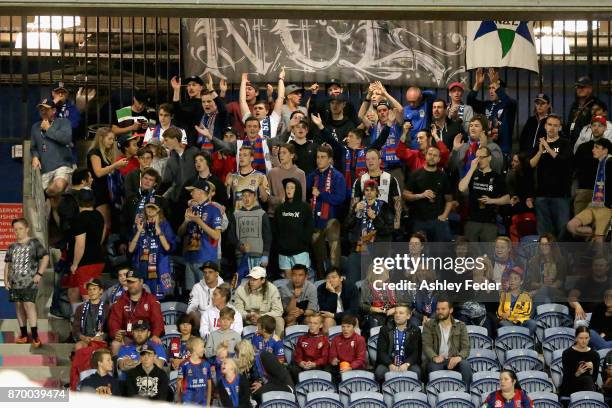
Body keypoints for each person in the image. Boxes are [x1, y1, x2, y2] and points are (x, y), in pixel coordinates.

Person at [3, 218, 49, 347]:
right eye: (15, 229)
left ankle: (35, 336)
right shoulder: (12, 246)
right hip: (15, 283)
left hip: (29, 282)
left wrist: (39, 274)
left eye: (20, 228)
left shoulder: (34, 243)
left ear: (27, 229)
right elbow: (8, 264)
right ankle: (23, 335)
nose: (18, 231)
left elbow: (45, 257)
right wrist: (6, 280)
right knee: (18, 306)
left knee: (29, 305)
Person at [529, 114, 573, 238]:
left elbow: (563, 161)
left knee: (562, 231)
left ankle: (560, 257)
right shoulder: (539, 143)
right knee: (543, 233)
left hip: (561, 195)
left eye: (555, 125)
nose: (552, 128)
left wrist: (547, 148)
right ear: (545, 126)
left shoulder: (565, 143)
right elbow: (531, 164)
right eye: (549, 125)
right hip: (542, 195)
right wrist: (539, 151)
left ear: (559, 128)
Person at [307, 145, 347, 277]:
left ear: (330, 160)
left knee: (334, 251)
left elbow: (340, 198)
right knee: (319, 255)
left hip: (331, 220)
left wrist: (321, 195)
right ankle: (321, 280)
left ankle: (336, 278)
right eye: (318, 157)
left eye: (323, 157)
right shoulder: (312, 176)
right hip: (315, 221)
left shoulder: (337, 176)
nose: (319, 160)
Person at [128, 195, 176, 299]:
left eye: (153, 207)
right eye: (148, 207)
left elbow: (168, 248)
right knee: (141, 300)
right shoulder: (139, 224)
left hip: (159, 270)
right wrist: (138, 232)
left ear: (158, 210)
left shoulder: (164, 225)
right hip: (142, 269)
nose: (150, 210)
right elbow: (130, 249)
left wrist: (159, 231)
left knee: (159, 302)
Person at [458, 146, 510, 243]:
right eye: (477, 157)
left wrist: (492, 200)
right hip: (472, 220)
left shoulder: (497, 177)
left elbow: (507, 199)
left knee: (488, 254)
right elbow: (461, 188)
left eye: (482, 157)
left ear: (489, 158)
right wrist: (471, 169)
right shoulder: (472, 174)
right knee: (471, 254)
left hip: (489, 222)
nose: (479, 160)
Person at [178, 179, 223, 291]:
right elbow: (180, 233)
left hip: (205, 259)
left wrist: (198, 221)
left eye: (193, 191)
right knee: (191, 294)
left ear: (201, 192)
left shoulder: (214, 210)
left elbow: (216, 236)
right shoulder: (192, 209)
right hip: (190, 258)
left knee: (206, 293)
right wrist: (185, 222)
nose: (191, 193)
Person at [404, 146, 454, 242]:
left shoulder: (443, 176)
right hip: (418, 220)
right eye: (430, 154)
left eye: (435, 155)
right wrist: (421, 195)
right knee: (418, 252)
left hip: (437, 221)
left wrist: (444, 215)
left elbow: (449, 200)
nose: (432, 157)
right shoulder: (415, 174)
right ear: (425, 156)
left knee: (438, 253)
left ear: (439, 159)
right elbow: (405, 195)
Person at [108, 271, 164, 355]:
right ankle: (117, 367)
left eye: (133, 282)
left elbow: (158, 321)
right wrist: (116, 332)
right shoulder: (120, 301)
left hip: (146, 337)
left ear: (141, 281)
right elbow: (114, 321)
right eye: (129, 282)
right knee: (115, 344)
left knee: (156, 343)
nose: (130, 285)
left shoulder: (151, 300)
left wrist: (155, 335)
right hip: (128, 337)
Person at [567, 138, 612, 242]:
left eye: (596, 147)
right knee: (571, 226)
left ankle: (598, 243)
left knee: (599, 243)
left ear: (605, 150)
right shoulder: (599, 163)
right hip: (594, 204)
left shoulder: (610, 163)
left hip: (605, 208)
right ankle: (592, 235)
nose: (593, 150)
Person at [67, 189, 105, 307]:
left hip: (85, 263)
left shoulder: (80, 219)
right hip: (98, 259)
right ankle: (77, 319)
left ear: (78, 202)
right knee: (73, 290)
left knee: (89, 297)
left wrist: (75, 264)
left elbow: (80, 244)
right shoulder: (99, 215)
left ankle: (92, 323)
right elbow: (102, 235)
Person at [422, 296, 472, 386]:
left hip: (454, 359)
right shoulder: (429, 325)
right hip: (437, 360)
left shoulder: (460, 325)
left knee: (465, 365)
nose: (440, 311)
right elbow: (426, 345)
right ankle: (436, 395)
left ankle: (465, 393)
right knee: (433, 367)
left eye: (443, 309)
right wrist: (434, 357)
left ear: (451, 310)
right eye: (437, 309)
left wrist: (459, 357)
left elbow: (466, 347)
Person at [30, 98, 74, 198]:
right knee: (55, 203)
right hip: (45, 169)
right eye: (41, 109)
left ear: (53, 111)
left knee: (59, 186)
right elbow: (33, 147)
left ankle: (46, 195)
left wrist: (48, 129)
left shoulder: (64, 122)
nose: (43, 112)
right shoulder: (35, 127)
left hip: (62, 164)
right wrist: (35, 157)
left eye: (46, 109)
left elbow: (66, 139)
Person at [468, 68, 517, 154]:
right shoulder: (488, 105)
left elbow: (508, 101)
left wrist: (496, 84)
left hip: (502, 151)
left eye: (494, 88)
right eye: (489, 88)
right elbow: (470, 101)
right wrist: (477, 84)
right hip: (486, 149)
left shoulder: (510, 104)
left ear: (503, 90)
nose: (491, 91)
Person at [87, 127, 125, 233]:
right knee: (103, 224)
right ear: (101, 138)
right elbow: (98, 172)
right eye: (109, 139)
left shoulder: (107, 154)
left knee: (108, 223)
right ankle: (97, 247)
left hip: (107, 190)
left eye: (113, 139)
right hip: (99, 191)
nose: (112, 142)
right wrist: (115, 165)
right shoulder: (94, 153)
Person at [352, 149, 401, 230]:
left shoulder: (390, 179)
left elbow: (397, 201)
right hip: (365, 224)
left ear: (379, 161)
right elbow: (353, 205)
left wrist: (397, 221)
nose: (370, 161)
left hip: (385, 223)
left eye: (373, 158)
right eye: (367, 159)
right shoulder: (359, 180)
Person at [273, 178, 314, 277]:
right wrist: (280, 244)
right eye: (287, 187)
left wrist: (303, 242)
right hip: (283, 252)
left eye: (292, 188)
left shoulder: (305, 208)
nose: (289, 190)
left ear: (298, 189)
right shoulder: (280, 209)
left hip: (300, 252)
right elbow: (275, 229)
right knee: (287, 283)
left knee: (301, 281)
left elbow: (309, 228)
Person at [160, 127, 199, 229]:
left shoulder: (194, 152)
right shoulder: (170, 160)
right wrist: (156, 196)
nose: (164, 143)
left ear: (176, 140)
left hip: (194, 199)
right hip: (177, 202)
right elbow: (166, 182)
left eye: (166, 140)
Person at [374, 305, 422, 383]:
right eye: (396, 313)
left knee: (417, 371)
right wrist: (390, 364)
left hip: (407, 363)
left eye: (401, 313)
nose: (397, 315)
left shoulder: (415, 330)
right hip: (389, 362)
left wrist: (407, 364)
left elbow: (416, 353)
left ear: (408, 316)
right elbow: (381, 352)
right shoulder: (384, 330)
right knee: (379, 372)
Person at [231, 187, 272, 273]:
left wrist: (266, 254)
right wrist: (240, 246)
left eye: (249, 195)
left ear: (255, 197)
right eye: (244, 196)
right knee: (242, 283)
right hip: (241, 255)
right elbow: (231, 236)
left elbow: (267, 235)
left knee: (258, 283)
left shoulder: (262, 213)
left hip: (258, 255)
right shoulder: (236, 214)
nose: (246, 198)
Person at [234, 266, 284, 336]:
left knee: (279, 320)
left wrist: (261, 316)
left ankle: (279, 344)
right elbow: (238, 310)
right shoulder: (241, 289)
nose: (251, 282)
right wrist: (247, 315)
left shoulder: (272, 289)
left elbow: (278, 310)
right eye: (250, 278)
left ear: (263, 280)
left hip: (266, 320)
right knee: (233, 318)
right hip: (248, 319)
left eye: (255, 279)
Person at [347, 179, 395, 251]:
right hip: (359, 246)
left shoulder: (385, 206)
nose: (369, 192)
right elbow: (347, 226)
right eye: (367, 190)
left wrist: (375, 218)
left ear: (377, 192)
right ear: (364, 192)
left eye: (372, 190)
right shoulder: (358, 205)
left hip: (378, 247)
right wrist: (354, 212)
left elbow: (389, 229)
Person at [239, 69, 285, 140]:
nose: (257, 110)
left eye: (260, 108)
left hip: (268, 150)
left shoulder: (273, 120)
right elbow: (242, 101)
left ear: (267, 111)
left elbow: (280, 98)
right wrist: (243, 82)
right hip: (252, 150)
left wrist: (281, 79)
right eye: (255, 108)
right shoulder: (248, 119)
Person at [568, 256, 611, 328]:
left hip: (604, 317)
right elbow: (571, 297)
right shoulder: (583, 281)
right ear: (592, 267)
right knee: (581, 333)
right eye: (596, 265)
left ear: (607, 268)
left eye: (601, 265)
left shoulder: (610, 282)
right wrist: (577, 306)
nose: (598, 268)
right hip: (585, 314)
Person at [288, 313, 330, 383]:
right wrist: (301, 362)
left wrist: (314, 364)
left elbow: (325, 358)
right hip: (303, 366)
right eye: (310, 323)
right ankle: (296, 389)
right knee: (291, 367)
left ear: (321, 325)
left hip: (317, 367)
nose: (312, 325)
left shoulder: (324, 340)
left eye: (315, 323)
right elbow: (298, 355)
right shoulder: (302, 338)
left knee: (327, 368)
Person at [525, 234, 567, 304]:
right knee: (545, 298)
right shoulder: (534, 261)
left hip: (557, 293)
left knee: (544, 292)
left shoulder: (561, 261)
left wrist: (544, 288)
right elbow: (532, 283)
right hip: (540, 292)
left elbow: (560, 282)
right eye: (541, 244)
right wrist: (542, 286)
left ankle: (534, 312)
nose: (543, 247)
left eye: (547, 244)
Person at [225, 145, 270, 210]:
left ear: (252, 158)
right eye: (240, 155)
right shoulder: (233, 176)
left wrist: (260, 185)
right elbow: (228, 200)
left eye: (245, 155)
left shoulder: (261, 176)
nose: (241, 157)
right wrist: (228, 186)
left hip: (255, 216)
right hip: (238, 215)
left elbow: (265, 199)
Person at [560, 326, 600, 397]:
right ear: (576, 338)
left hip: (588, 386)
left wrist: (592, 369)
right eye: (581, 338)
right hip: (571, 386)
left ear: (589, 338)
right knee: (587, 380)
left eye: (586, 338)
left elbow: (594, 379)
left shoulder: (595, 355)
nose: (584, 341)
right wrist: (578, 373)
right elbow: (566, 379)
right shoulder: (567, 353)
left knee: (588, 380)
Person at [267, 143, 306, 215]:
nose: (281, 155)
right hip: (274, 215)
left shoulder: (300, 173)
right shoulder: (272, 173)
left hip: (293, 215)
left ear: (292, 155)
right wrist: (280, 200)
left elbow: (303, 198)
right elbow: (266, 197)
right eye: (280, 153)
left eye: (284, 153)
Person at [72, 279, 110, 350]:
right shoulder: (80, 308)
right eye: (90, 289)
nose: (92, 292)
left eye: (94, 289)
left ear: (101, 291)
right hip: (85, 340)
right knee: (78, 346)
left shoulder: (107, 308)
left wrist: (102, 337)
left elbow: (110, 329)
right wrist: (83, 337)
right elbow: (75, 329)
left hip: (100, 340)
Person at [497, 268, 537, 336]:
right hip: (508, 322)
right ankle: (517, 339)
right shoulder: (503, 295)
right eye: (510, 278)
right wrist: (504, 315)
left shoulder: (526, 296)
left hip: (521, 321)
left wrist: (512, 315)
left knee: (532, 323)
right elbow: (501, 312)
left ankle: (521, 339)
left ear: (521, 282)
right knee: (503, 324)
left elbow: (526, 313)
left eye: (515, 279)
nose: (512, 281)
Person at [186, 261, 224, 330]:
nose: (207, 275)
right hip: (201, 321)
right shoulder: (197, 287)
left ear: (217, 274)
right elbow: (190, 308)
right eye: (205, 272)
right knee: (193, 314)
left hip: (218, 319)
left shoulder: (223, 287)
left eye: (210, 272)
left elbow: (227, 308)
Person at [329, 314, 367, 382]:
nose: (345, 329)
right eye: (343, 327)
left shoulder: (360, 339)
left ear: (354, 327)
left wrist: (351, 367)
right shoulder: (336, 339)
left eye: (348, 326)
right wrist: (333, 359)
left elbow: (360, 359)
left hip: (355, 367)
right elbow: (332, 354)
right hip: (341, 366)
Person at [176, 336, 212, 405]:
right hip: (187, 402)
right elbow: (179, 384)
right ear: (195, 347)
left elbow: (209, 385)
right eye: (202, 347)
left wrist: (208, 403)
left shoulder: (206, 364)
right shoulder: (184, 365)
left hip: (202, 403)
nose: (204, 349)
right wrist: (179, 402)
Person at [170, 75, 204, 147]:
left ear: (201, 88)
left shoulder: (201, 104)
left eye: (194, 85)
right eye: (188, 85)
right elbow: (177, 115)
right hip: (179, 142)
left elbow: (181, 114)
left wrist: (176, 91)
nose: (191, 87)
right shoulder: (185, 103)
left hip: (191, 143)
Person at [194, 74, 229, 144]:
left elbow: (222, 108)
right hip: (201, 151)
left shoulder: (220, 116)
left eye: (209, 101)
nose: (206, 104)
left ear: (215, 102)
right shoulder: (200, 115)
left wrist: (211, 90)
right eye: (203, 102)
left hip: (216, 151)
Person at [566, 76, 600, 145]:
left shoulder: (596, 104)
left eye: (582, 87)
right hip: (571, 143)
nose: (579, 89)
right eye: (578, 87)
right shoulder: (575, 104)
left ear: (590, 89)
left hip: (587, 144)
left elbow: (598, 127)